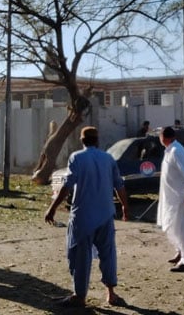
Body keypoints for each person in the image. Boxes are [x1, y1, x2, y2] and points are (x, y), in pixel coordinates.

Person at [44, 126, 129, 308]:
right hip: (106, 215)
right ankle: (111, 294)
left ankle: (79, 295)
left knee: (79, 256)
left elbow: (68, 185)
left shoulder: (77, 157)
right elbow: (119, 184)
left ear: (82, 141)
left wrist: (52, 208)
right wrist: (124, 206)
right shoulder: (108, 158)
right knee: (108, 254)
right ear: (97, 140)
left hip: (83, 216)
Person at [157, 126, 184, 272]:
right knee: (173, 227)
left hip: (182, 199)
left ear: (165, 138)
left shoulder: (176, 151)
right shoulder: (169, 150)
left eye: (160, 136)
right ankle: (180, 251)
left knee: (183, 229)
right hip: (172, 198)